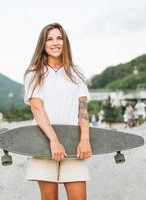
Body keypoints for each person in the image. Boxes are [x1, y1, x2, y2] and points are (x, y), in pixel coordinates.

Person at [23, 23, 92, 200]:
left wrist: (84, 140)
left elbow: (82, 109)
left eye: (59, 38)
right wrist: (54, 141)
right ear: (43, 44)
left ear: (65, 42)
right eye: (50, 39)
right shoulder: (34, 73)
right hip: (43, 141)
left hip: (73, 143)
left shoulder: (77, 72)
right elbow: (36, 108)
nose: (55, 43)